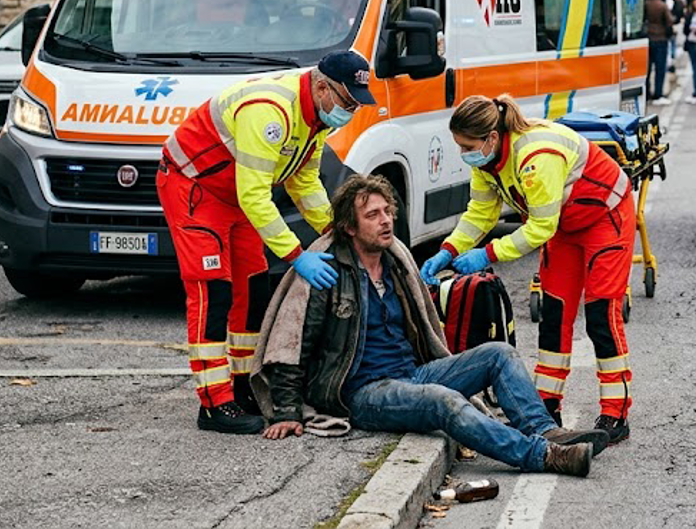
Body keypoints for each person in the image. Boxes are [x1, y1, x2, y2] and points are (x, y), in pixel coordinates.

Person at [255, 174, 604, 476]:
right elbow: (292, 342)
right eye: (372, 215)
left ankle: (546, 432)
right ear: (349, 227)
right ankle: (544, 456)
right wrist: (286, 411)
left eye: (387, 211)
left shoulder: (395, 261)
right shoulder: (330, 273)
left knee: (499, 354)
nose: (386, 221)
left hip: (413, 373)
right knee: (444, 402)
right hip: (365, 392)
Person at [156, 50, 376, 434]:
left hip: (236, 194)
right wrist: (296, 255)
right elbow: (256, 196)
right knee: (213, 293)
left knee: (254, 288)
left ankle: (242, 387)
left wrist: (337, 231)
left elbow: (304, 182)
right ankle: (213, 403)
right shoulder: (269, 109)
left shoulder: (316, 118)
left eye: (357, 106)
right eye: (347, 102)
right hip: (195, 188)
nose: (350, 112)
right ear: (322, 86)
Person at [421, 95, 637, 443]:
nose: (464, 153)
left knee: (600, 315)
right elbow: (480, 213)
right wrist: (448, 249)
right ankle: (546, 410)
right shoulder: (486, 161)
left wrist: (487, 254)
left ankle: (616, 414)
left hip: (605, 217)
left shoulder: (536, 156)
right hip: (563, 226)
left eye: (467, 146)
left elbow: (539, 228)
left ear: (492, 137)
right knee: (554, 315)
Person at [645, 0, 674, 106]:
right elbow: (669, 22)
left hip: (648, 37)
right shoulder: (662, 6)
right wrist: (669, 33)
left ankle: (647, 93)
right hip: (660, 38)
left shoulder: (646, 4)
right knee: (660, 68)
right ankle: (658, 93)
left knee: (647, 68)